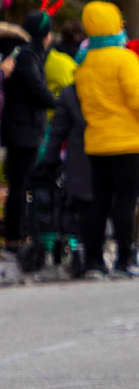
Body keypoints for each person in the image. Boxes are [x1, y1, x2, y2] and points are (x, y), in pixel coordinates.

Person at [74, 1, 139, 278]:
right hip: (128, 143)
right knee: (126, 202)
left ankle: (94, 261)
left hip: (97, 143)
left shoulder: (83, 63)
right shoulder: (125, 59)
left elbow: (86, 106)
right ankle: (125, 260)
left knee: (99, 203)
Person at [2, 11, 57, 254]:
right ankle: (15, 236)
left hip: (21, 127)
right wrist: (60, 103)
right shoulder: (27, 55)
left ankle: (17, 233)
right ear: (44, 35)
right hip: (23, 130)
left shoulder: (27, 53)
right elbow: (37, 90)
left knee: (20, 184)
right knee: (20, 184)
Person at [38, 78, 90, 264]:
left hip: (75, 161)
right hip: (104, 158)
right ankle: (92, 251)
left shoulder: (70, 93)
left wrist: (49, 160)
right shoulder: (116, 87)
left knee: (75, 201)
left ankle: (76, 245)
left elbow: (57, 129)